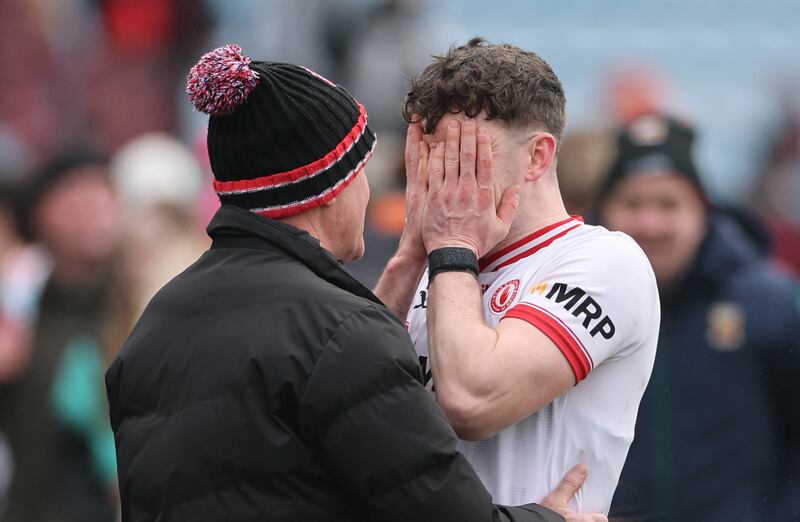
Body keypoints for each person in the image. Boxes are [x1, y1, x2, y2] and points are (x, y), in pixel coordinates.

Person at [105, 44, 606, 522]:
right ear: (329, 189)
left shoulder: (157, 319)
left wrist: (410, 255)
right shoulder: (336, 333)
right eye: (360, 170)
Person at [379, 38, 660, 514]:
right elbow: (339, 404)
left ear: (537, 158)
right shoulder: (437, 264)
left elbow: (471, 401)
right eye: (432, 156)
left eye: (466, 155)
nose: (442, 177)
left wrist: (451, 246)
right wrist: (407, 258)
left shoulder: (607, 261)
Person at [600, 114, 800, 521]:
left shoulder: (768, 302)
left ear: (703, 211)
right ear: (603, 212)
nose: (650, 223)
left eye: (669, 204)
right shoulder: (568, 304)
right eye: (632, 203)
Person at [1, 150, 122, 522]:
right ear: (39, 217)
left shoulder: (146, 301)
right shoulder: (21, 309)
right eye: (75, 201)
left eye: (102, 196)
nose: (92, 213)